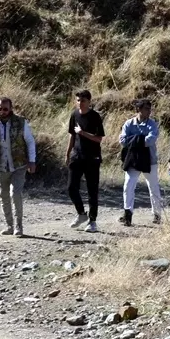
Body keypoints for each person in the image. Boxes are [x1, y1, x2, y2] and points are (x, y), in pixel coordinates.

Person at [0, 97, 36, 236]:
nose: (3, 111)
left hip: (19, 164)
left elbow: (30, 142)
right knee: (3, 195)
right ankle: (9, 225)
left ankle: (19, 227)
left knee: (15, 194)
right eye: (0, 109)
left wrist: (32, 160)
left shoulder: (21, 122)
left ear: (11, 108)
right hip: (1, 166)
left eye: (5, 109)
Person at [66, 89, 104, 233]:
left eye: (83, 101)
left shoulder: (95, 117)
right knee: (71, 187)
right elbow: (71, 135)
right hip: (77, 156)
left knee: (92, 190)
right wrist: (68, 153)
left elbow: (99, 138)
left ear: (89, 102)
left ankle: (92, 221)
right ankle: (81, 214)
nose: (80, 103)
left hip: (92, 158)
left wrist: (83, 133)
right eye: (78, 100)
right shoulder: (74, 115)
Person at [119, 99, 162, 226]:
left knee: (153, 187)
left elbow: (151, 139)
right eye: (146, 108)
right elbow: (122, 140)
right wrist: (139, 140)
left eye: (150, 108)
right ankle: (128, 213)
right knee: (128, 185)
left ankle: (157, 214)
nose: (149, 111)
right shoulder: (129, 123)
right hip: (133, 159)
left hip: (149, 159)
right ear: (139, 109)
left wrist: (133, 140)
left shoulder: (152, 124)